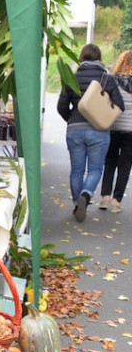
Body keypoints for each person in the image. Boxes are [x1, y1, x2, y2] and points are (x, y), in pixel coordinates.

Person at [57, 43, 124, 222]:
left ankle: (77, 204)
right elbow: (120, 106)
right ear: (99, 58)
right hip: (99, 131)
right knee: (95, 169)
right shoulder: (107, 79)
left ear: (81, 58)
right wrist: (103, 119)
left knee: (77, 170)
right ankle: (85, 196)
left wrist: (72, 120)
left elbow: (61, 106)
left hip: (75, 130)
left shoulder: (71, 77)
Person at [99, 50, 132, 213]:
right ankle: (116, 201)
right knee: (125, 165)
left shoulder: (112, 81)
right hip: (131, 131)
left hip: (112, 126)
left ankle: (105, 197)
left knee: (110, 162)